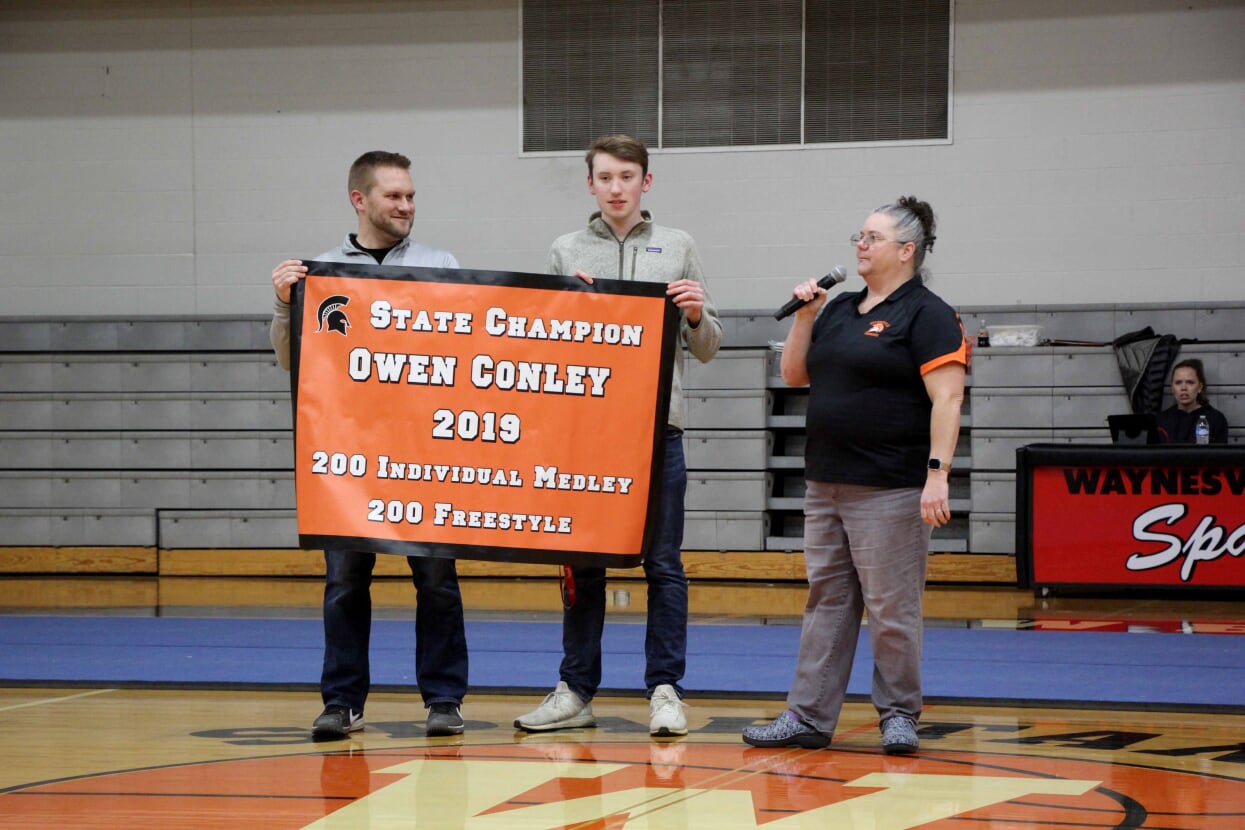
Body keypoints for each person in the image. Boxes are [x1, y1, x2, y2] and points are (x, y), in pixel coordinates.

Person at [513, 134, 722, 737]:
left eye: (627, 176)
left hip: (660, 432)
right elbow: (536, 349)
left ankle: (665, 690)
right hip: (585, 437)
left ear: (645, 182)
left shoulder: (678, 246)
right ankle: (576, 690)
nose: (616, 188)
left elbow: (709, 346)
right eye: (604, 177)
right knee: (582, 567)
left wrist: (692, 312)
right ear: (591, 184)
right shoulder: (564, 249)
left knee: (664, 565)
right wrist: (564, 309)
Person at [741, 196, 966, 755]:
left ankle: (898, 716)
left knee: (892, 608)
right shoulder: (839, 308)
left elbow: (948, 398)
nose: (860, 247)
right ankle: (810, 716)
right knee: (827, 602)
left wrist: (937, 474)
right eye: (858, 238)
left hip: (890, 487)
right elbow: (795, 374)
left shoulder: (929, 313)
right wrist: (806, 316)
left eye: (872, 238)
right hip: (827, 483)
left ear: (906, 250)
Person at [269, 150, 469, 740]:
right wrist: (284, 305)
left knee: (436, 579)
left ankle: (443, 699)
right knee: (345, 581)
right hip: (347, 457)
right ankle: (342, 701)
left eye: (410, 195)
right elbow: (291, 361)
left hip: (425, 454)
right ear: (360, 200)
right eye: (394, 197)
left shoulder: (442, 264)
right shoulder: (319, 273)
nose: (406, 206)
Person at [1156, 358, 1229, 444]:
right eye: (1178, 382)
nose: (1183, 388)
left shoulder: (1216, 419)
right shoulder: (1161, 420)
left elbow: (1220, 455)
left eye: (1190, 382)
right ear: (1172, 388)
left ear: (1200, 387)